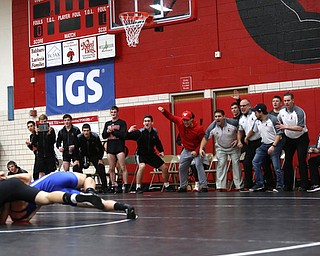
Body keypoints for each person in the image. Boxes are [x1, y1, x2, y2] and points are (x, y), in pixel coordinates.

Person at [0, 171, 135, 224]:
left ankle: (124, 208)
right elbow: (27, 177)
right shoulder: (15, 185)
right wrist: (7, 177)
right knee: (87, 179)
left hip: (30, 207)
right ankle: (90, 192)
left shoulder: (18, 215)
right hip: (51, 180)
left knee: (96, 204)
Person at [158, 107, 208, 192]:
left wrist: (196, 151)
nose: (185, 122)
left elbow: (203, 141)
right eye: (184, 120)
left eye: (187, 120)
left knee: (198, 165)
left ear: (192, 119)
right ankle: (183, 186)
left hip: (197, 149)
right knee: (182, 167)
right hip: (186, 149)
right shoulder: (180, 122)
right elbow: (171, 117)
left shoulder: (198, 129)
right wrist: (164, 111)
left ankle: (204, 186)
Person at [126, 114, 175, 193]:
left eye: (148, 121)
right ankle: (138, 187)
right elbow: (126, 137)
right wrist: (129, 131)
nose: (147, 123)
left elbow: (157, 142)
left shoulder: (154, 132)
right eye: (145, 121)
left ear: (152, 123)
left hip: (151, 155)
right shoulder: (140, 132)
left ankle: (167, 185)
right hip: (141, 154)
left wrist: (161, 151)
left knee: (165, 168)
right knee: (142, 166)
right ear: (143, 123)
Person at [200, 109, 242, 191]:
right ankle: (220, 186)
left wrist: (238, 140)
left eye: (219, 116)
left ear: (224, 116)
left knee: (236, 164)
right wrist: (201, 148)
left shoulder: (232, 122)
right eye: (215, 117)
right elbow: (206, 137)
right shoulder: (212, 126)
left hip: (233, 147)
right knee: (221, 164)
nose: (217, 118)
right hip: (221, 147)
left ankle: (239, 186)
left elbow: (239, 131)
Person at [245, 104, 284, 192]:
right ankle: (260, 183)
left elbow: (279, 134)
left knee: (276, 166)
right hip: (264, 144)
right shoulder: (257, 121)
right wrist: (246, 137)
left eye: (255, 112)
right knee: (255, 161)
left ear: (260, 112)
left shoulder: (273, 120)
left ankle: (280, 185)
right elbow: (253, 130)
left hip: (275, 143)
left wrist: (273, 146)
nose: (254, 114)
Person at [276, 92, 310, 191]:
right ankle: (288, 185)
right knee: (287, 161)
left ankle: (304, 185)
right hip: (289, 138)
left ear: (293, 100)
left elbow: (300, 128)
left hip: (301, 138)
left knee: (301, 160)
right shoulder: (282, 111)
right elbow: (278, 122)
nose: (286, 102)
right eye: (285, 101)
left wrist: (285, 127)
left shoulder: (299, 112)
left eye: (288, 100)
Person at [102, 106, 129, 193]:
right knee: (111, 168)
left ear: (117, 113)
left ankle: (125, 185)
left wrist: (113, 131)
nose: (113, 114)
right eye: (112, 112)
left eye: (115, 112)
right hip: (110, 146)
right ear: (110, 113)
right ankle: (113, 184)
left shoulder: (122, 123)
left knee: (122, 167)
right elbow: (104, 136)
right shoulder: (107, 123)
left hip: (119, 146)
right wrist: (108, 132)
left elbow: (123, 135)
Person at [77, 123, 109, 193]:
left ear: (90, 131)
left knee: (101, 167)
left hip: (94, 155)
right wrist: (76, 160)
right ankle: (78, 187)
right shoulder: (79, 137)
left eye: (87, 131)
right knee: (76, 167)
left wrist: (100, 159)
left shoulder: (95, 136)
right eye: (84, 131)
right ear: (82, 131)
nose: (86, 132)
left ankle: (105, 187)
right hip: (83, 155)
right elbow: (76, 150)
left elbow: (101, 149)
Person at [32, 114, 57, 179]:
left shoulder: (51, 130)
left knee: (51, 173)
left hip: (49, 154)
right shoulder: (37, 130)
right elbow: (34, 143)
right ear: (39, 122)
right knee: (41, 173)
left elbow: (53, 141)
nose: (43, 123)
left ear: (47, 121)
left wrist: (49, 134)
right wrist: (36, 134)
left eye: (45, 121)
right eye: (42, 122)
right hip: (40, 155)